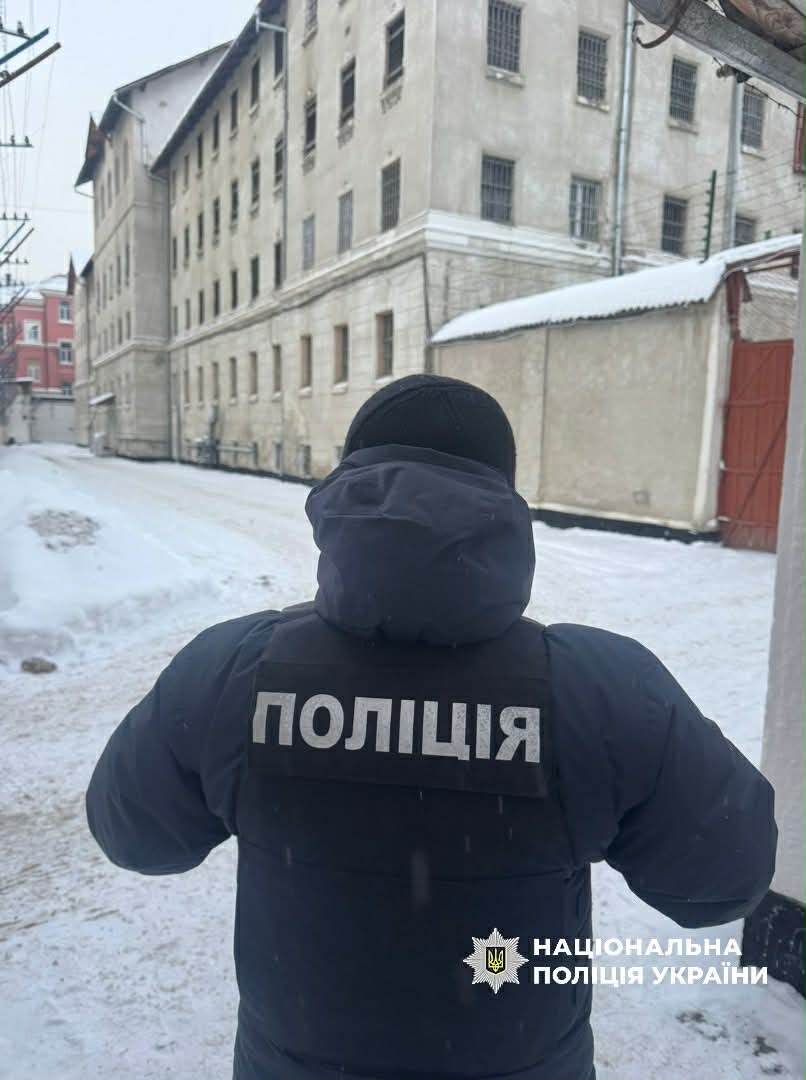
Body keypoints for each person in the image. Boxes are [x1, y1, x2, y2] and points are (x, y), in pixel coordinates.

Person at [86, 373, 777, 1080]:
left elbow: (135, 834)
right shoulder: (599, 690)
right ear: (505, 502)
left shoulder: (233, 670)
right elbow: (722, 879)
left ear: (346, 489)